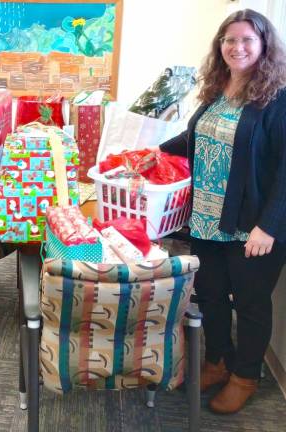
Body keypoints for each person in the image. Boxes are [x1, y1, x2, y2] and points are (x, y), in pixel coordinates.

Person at [160, 9, 286, 414]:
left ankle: (246, 375)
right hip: (206, 218)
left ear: (264, 45)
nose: (238, 47)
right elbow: (194, 138)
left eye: (247, 39)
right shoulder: (218, 88)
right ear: (220, 47)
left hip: (252, 226)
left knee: (250, 304)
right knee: (210, 294)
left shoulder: (277, 97)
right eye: (229, 40)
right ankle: (217, 360)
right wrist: (151, 152)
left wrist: (268, 226)